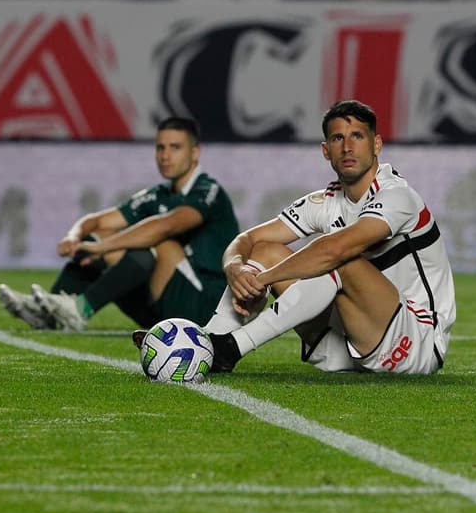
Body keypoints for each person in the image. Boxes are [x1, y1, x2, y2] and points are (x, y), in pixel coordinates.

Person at [146, 100, 455, 375]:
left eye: (357, 137)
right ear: (326, 150)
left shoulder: (397, 195)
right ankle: (205, 341)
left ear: (376, 145)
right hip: (348, 342)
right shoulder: (325, 201)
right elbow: (247, 239)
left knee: (337, 257)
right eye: (338, 138)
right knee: (266, 250)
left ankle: (231, 348)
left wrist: (264, 279)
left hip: (416, 343)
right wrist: (236, 268)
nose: (347, 147)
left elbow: (334, 249)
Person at [0, 117, 239, 333]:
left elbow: (167, 226)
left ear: (195, 152)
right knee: (98, 237)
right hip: (165, 305)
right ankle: (48, 311)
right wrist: (75, 236)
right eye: (160, 147)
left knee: (158, 242)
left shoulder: (209, 191)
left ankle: (79, 310)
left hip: (206, 307)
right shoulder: (158, 194)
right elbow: (98, 221)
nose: (165, 155)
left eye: (175, 147)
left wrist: (103, 249)